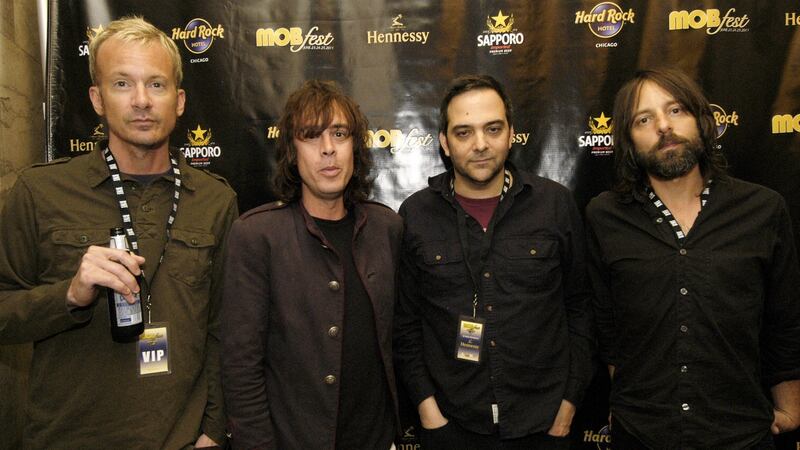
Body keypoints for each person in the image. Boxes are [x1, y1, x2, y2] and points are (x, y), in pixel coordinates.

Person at [0, 16, 237, 448]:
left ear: (180, 101)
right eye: (123, 84)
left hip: (179, 439)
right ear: (97, 98)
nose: (142, 101)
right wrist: (68, 295)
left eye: (157, 85)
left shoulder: (215, 201)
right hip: (68, 438)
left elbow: (224, 329)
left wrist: (214, 430)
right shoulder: (39, 192)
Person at [585, 68, 800, 449]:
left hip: (742, 433)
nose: (663, 127)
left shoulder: (762, 209)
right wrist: (628, 401)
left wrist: (790, 407)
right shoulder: (605, 216)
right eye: (644, 119)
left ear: (702, 121)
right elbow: (607, 326)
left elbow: (785, 320)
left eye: (676, 110)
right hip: (641, 435)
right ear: (629, 141)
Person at [393, 74, 594, 449]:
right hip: (452, 427)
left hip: (544, 426)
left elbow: (581, 309)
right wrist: (428, 411)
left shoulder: (554, 205)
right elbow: (406, 325)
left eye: (493, 128)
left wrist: (568, 406)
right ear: (445, 143)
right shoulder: (416, 214)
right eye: (464, 132)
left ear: (511, 134)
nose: (481, 144)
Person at [221, 80, 403, 450]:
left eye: (340, 133)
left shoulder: (387, 228)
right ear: (291, 151)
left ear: (355, 146)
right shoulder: (257, 236)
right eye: (310, 135)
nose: (328, 149)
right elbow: (241, 369)